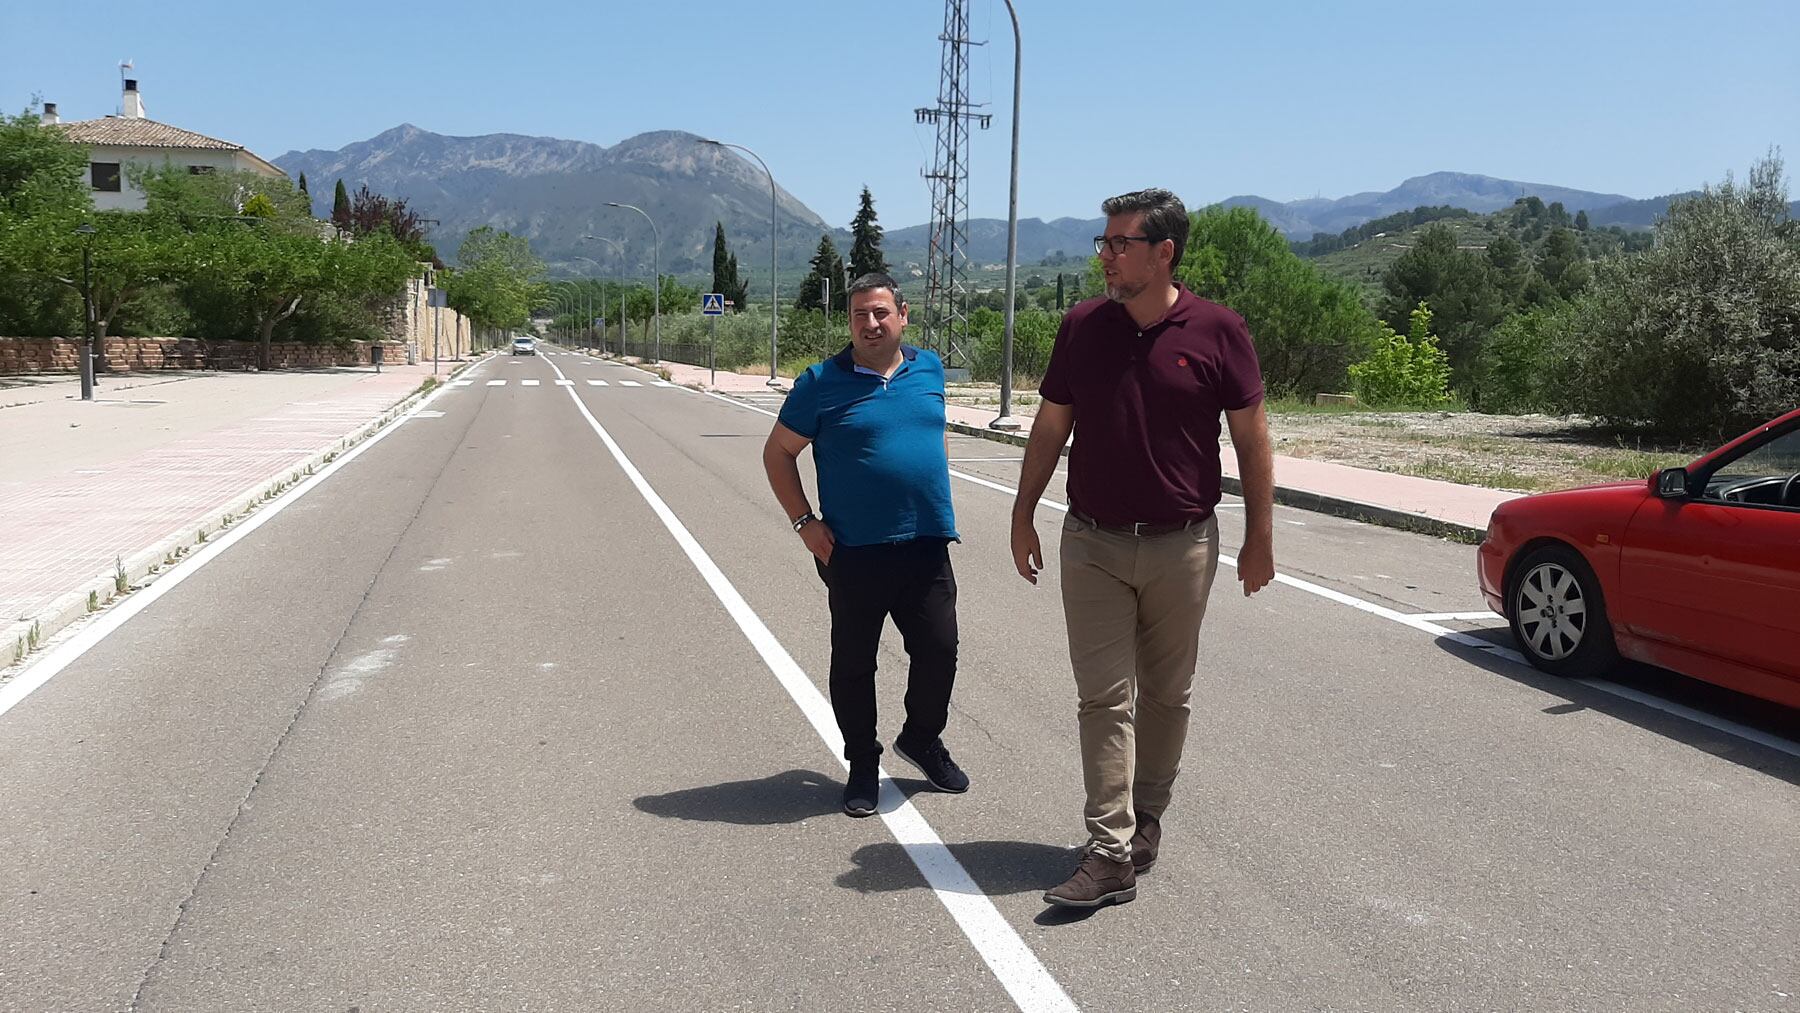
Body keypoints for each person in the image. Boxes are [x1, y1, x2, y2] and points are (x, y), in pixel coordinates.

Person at [1010, 188, 1276, 908]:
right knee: (1103, 697)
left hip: (1183, 546)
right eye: (1104, 242)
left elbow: (1252, 441)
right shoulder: (1082, 326)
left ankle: (1146, 816)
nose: (1106, 255)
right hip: (1091, 540)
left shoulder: (1219, 331)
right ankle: (1108, 849)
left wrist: (1260, 538)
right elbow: (1050, 424)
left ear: (1165, 252)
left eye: (1120, 243)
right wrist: (1023, 510)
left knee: (1167, 695)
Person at [763, 272, 969, 818]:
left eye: (880, 313)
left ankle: (922, 739)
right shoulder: (819, 382)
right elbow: (777, 454)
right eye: (860, 315)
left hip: (926, 542)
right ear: (850, 321)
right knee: (854, 663)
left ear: (903, 314)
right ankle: (861, 762)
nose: (871, 324)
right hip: (853, 552)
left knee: (939, 651)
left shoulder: (928, 368)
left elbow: (930, 434)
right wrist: (804, 521)